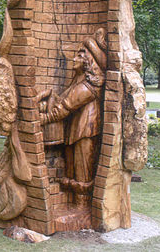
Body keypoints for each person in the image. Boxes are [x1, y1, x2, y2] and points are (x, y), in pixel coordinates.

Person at [38, 28, 107, 208]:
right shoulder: (78, 80)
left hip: (85, 130)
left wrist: (43, 119)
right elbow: (62, 99)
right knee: (72, 169)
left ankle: (82, 207)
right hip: (76, 130)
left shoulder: (89, 85)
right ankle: (74, 204)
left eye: (78, 56)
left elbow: (65, 106)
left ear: (87, 61)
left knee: (82, 170)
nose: (74, 59)